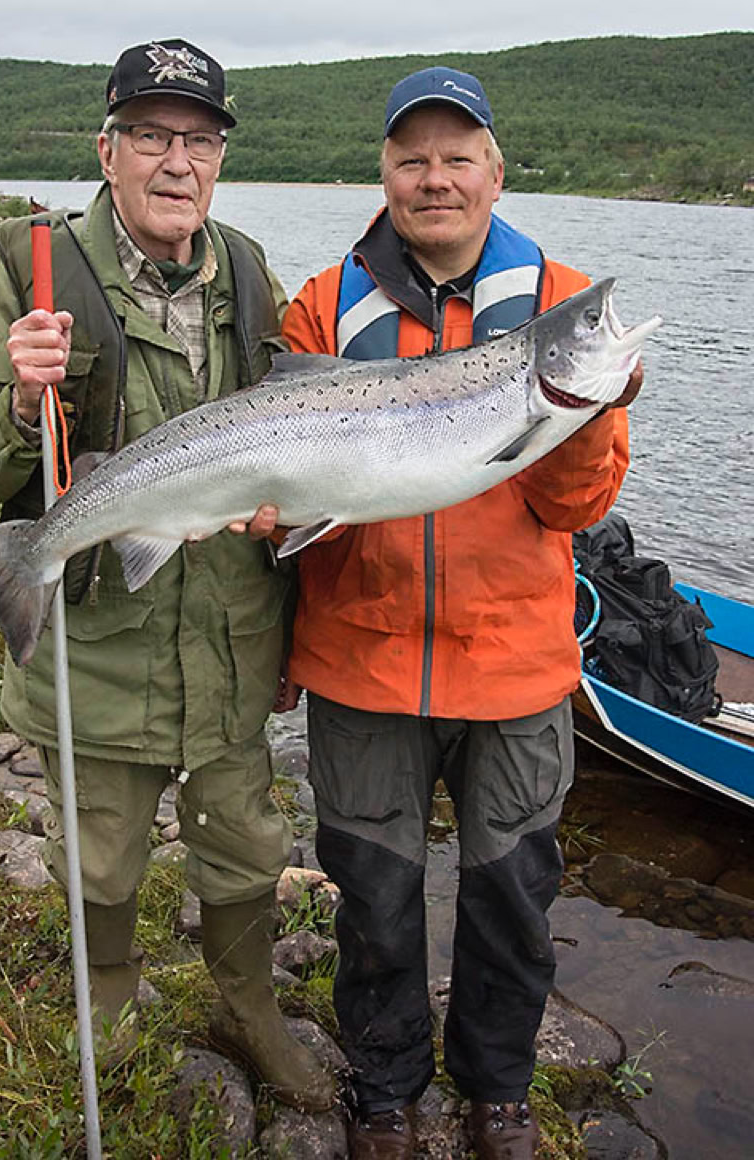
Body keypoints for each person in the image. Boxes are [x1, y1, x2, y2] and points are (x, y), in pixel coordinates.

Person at [0, 39, 336, 1112]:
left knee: (248, 845)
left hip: (232, 641)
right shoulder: (31, 271)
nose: (176, 161)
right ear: (108, 150)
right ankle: (107, 985)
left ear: (221, 158)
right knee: (99, 861)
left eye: (199, 138)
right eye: (151, 135)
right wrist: (15, 405)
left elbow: (282, 433)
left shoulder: (245, 270)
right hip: (99, 647)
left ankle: (248, 1001)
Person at [275, 68, 644, 1158]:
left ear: (495, 169)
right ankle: (383, 1095)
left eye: (456, 156)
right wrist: (279, 504)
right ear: (383, 173)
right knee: (373, 904)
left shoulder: (561, 302)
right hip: (361, 663)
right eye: (411, 158)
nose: (434, 179)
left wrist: (578, 412)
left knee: (512, 906)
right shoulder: (324, 305)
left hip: (515, 670)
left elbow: (575, 506)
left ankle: (498, 1095)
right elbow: (299, 499)